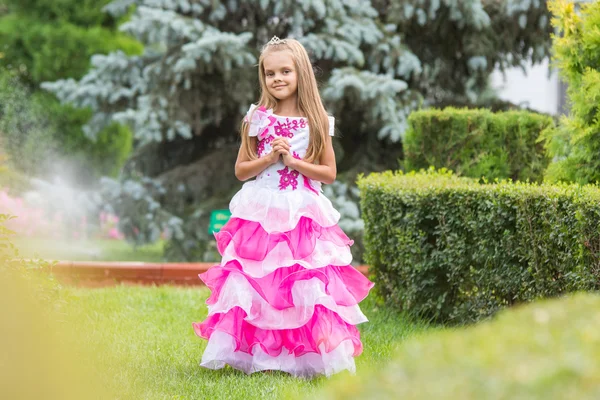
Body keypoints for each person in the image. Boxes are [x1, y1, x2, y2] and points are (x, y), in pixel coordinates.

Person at [192, 36, 374, 378]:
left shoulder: (317, 119)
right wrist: (270, 157)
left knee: (302, 282)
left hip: (302, 212)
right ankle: (258, 355)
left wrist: (293, 160)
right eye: (269, 73)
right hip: (261, 209)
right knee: (258, 281)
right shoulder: (257, 118)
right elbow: (241, 170)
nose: (277, 79)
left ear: (300, 72)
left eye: (285, 71)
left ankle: (302, 358)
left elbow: (329, 173)